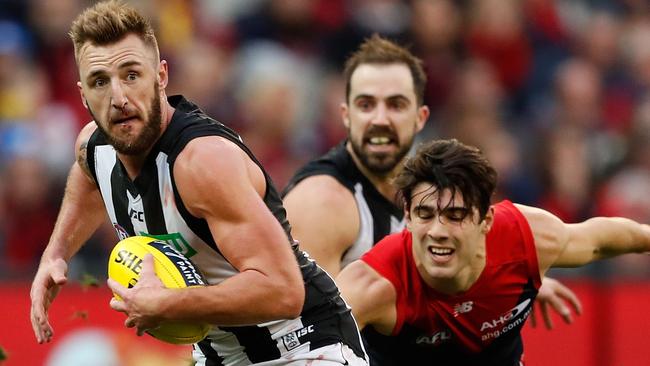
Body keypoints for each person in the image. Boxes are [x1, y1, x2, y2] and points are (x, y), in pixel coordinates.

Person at [28, 2, 367, 365]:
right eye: (100, 82)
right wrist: (56, 254)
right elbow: (87, 175)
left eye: (131, 75)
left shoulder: (201, 162)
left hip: (305, 347)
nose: (119, 98)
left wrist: (169, 303)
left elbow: (284, 290)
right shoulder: (94, 146)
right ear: (82, 94)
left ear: (161, 76)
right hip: (219, 356)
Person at [282, 34, 580, 334]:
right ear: (346, 115)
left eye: (396, 105)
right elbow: (310, 339)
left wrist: (501, 283)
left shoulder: (425, 181)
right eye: (366, 104)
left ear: (420, 117)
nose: (380, 119)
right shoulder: (321, 204)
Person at [336, 138, 650, 365]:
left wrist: (523, 275)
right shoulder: (373, 287)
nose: (438, 232)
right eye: (425, 214)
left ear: (485, 220)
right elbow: (304, 348)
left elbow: (606, 240)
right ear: (407, 215)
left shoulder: (527, 241)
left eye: (455, 216)